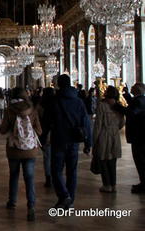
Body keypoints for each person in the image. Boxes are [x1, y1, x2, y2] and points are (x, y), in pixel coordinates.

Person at [42, 74, 92, 209]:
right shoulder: (79, 101)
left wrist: (42, 139)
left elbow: (46, 122)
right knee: (72, 171)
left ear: (58, 84)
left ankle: (65, 196)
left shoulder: (54, 100)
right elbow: (86, 123)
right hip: (74, 140)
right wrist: (88, 143)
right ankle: (70, 200)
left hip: (59, 139)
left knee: (56, 170)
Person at [0, 87, 42, 222]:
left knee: (14, 175)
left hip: (14, 149)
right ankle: (31, 206)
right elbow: (39, 131)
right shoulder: (32, 110)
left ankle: (12, 201)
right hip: (30, 150)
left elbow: (2, 130)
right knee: (29, 177)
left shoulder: (10, 110)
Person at [92, 86, 125, 192]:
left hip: (104, 135)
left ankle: (107, 184)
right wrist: (115, 128)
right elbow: (122, 122)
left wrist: (94, 140)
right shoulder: (118, 106)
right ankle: (114, 184)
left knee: (103, 160)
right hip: (115, 135)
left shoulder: (102, 105)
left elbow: (98, 125)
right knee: (112, 161)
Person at [126, 83, 145, 193]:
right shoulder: (140, 100)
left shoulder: (139, 101)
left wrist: (118, 107)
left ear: (137, 90)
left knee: (140, 161)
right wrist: (128, 97)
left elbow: (132, 112)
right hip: (141, 136)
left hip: (139, 136)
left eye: (133, 87)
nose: (132, 88)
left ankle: (143, 184)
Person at [37, 87, 55, 188]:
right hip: (56, 134)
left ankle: (48, 178)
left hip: (44, 133)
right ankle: (56, 176)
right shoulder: (57, 104)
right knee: (56, 156)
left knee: (47, 157)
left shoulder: (40, 106)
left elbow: (37, 121)